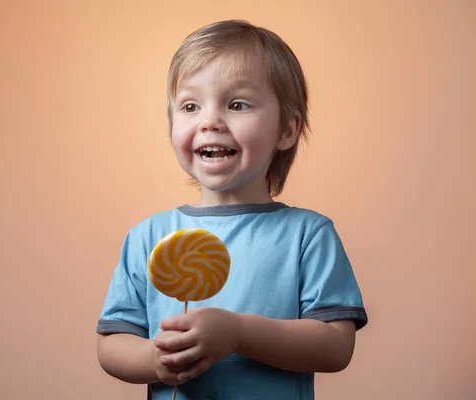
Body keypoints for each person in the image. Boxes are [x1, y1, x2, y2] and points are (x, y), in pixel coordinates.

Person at [96, 19, 368, 400]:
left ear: (287, 130)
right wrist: (156, 361)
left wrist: (238, 334)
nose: (210, 121)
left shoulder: (307, 234)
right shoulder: (149, 237)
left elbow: (336, 346)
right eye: (190, 106)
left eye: (237, 104)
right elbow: (112, 344)